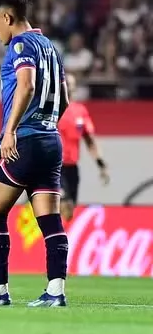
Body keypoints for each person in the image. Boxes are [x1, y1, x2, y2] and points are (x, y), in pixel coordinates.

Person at [0, 0, 69, 308]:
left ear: (8, 17)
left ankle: (0, 293)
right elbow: (66, 97)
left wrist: (11, 131)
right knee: (50, 220)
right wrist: (47, 122)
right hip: (51, 140)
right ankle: (56, 292)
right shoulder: (51, 47)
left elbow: (26, 83)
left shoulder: (21, 44)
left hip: (25, 140)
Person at [56, 73, 110, 223]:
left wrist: (101, 163)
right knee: (62, 204)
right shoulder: (50, 109)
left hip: (72, 167)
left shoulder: (80, 111)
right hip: (54, 167)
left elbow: (89, 140)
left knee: (70, 211)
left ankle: (62, 240)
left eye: (70, 82)